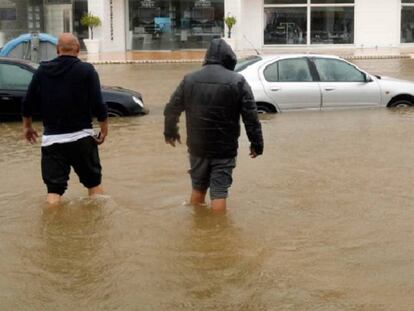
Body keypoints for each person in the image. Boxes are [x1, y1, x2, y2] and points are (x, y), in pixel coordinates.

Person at [164, 38, 264, 212]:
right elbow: (251, 117)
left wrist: (170, 132)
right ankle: (218, 234)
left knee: (198, 188)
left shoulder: (189, 80)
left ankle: (198, 228)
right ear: (229, 58)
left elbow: (171, 109)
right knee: (219, 192)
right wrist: (257, 144)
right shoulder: (238, 81)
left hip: (197, 147)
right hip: (224, 149)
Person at [22, 33, 108, 204]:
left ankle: (51, 227)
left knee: (54, 192)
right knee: (94, 184)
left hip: (52, 141)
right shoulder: (87, 70)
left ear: (57, 49)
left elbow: (27, 102)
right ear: (77, 49)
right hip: (82, 138)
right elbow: (98, 103)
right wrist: (104, 129)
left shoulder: (42, 71)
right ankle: (99, 225)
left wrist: (27, 127)